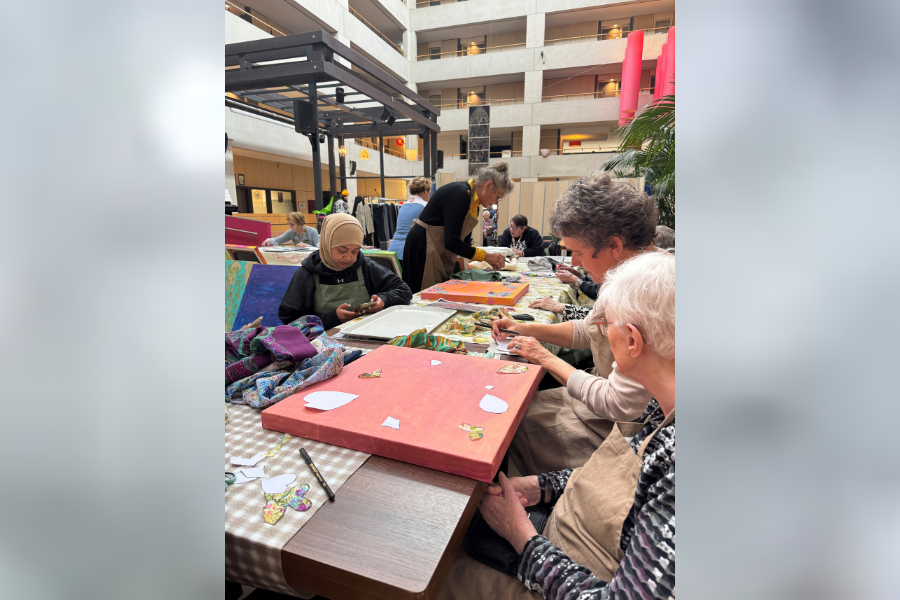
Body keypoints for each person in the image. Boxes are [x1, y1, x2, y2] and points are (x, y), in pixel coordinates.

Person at [438, 251, 675, 600]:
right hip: (570, 534)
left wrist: (520, 535)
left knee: (439, 569)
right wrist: (541, 486)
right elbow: (619, 476)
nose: (599, 333)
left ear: (632, 341)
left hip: (565, 573)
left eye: (605, 326)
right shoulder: (664, 404)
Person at [493, 172, 659, 474]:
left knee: (509, 429)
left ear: (613, 245)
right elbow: (590, 330)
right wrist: (524, 328)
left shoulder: (649, 292)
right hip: (606, 399)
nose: (576, 263)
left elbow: (620, 404)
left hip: (627, 431)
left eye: (579, 252)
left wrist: (543, 356)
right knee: (515, 412)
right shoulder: (622, 273)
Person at [278, 214, 412, 329]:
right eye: (342, 250)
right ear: (326, 243)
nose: (349, 257)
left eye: (355, 251)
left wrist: (383, 300)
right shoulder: (306, 274)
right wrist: (332, 318)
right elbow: (291, 322)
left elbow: (403, 290)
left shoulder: (365, 266)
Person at [403, 163, 513, 293]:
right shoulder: (460, 194)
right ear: (488, 185)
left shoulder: (474, 205)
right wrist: (485, 256)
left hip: (437, 250)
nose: (496, 202)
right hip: (424, 247)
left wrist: (472, 266)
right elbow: (452, 242)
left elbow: (464, 243)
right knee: (423, 296)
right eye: (498, 196)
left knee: (438, 294)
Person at [388, 177, 431, 260]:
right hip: (410, 250)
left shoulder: (404, 205)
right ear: (426, 190)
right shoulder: (425, 206)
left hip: (393, 249)